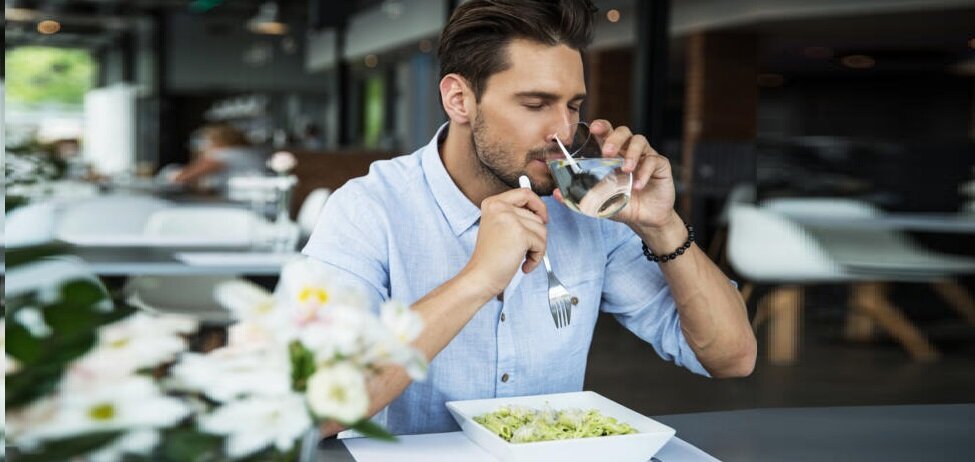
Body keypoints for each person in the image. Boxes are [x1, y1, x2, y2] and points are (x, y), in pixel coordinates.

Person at [303, 0, 756, 436]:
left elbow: (732, 357)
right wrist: (478, 279)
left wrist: (662, 225)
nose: (562, 130)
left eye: (573, 106)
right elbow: (314, 409)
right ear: (459, 99)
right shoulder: (369, 209)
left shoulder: (589, 206)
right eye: (536, 105)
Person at [169, 123, 267, 192]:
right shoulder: (244, 152)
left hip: (238, 200)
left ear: (219, 140)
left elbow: (183, 177)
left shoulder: (225, 154)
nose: (204, 144)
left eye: (207, 141)